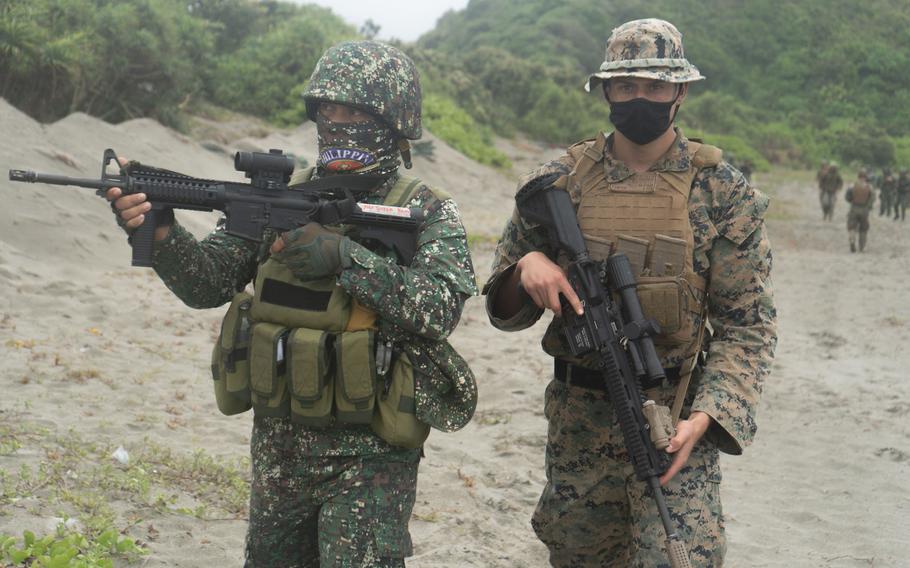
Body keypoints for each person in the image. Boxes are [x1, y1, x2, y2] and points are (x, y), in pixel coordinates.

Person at [107, 40, 477, 567]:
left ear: (394, 120)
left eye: (354, 110)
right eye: (327, 109)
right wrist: (161, 233)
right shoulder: (283, 197)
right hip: (281, 441)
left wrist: (345, 257)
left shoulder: (425, 208)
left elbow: (440, 308)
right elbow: (207, 283)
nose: (337, 122)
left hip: (371, 451)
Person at [483, 19, 777, 567]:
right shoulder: (559, 181)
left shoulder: (720, 190)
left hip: (675, 423)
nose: (639, 97)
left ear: (680, 92)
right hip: (580, 422)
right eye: (626, 86)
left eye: (655, 86)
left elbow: (748, 326)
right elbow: (501, 310)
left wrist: (707, 418)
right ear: (606, 91)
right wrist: (528, 266)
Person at [846, 170, 875, 252]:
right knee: (863, 228)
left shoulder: (852, 185)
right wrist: (868, 206)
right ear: (866, 177)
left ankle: (852, 239)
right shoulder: (869, 186)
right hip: (864, 209)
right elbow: (872, 198)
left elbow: (847, 197)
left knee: (852, 226)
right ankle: (862, 247)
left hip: (854, 208)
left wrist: (852, 201)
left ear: (858, 176)